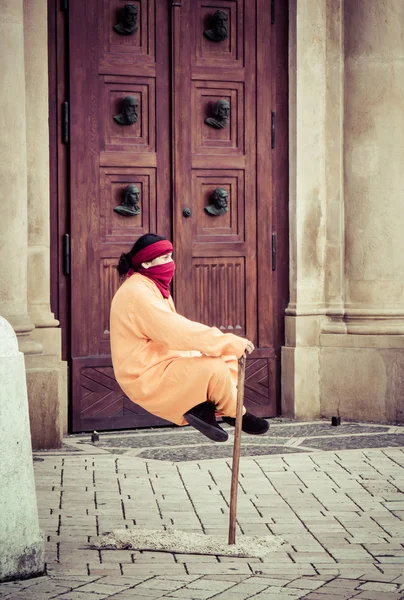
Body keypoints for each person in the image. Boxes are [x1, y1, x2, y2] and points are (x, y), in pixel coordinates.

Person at [110, 233, 269, 442]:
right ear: (147, 263)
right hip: (146, 375)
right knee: (215, 367)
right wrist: (228, 342)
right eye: (164, 258)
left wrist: (220, 349)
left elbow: (173, 337)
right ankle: (236, 413)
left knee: (227, 358)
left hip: (167, 363)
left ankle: (206, 409)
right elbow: (177, 332)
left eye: (171, 256)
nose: (171, 263)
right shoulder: (137, 293)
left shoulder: (152, 286)